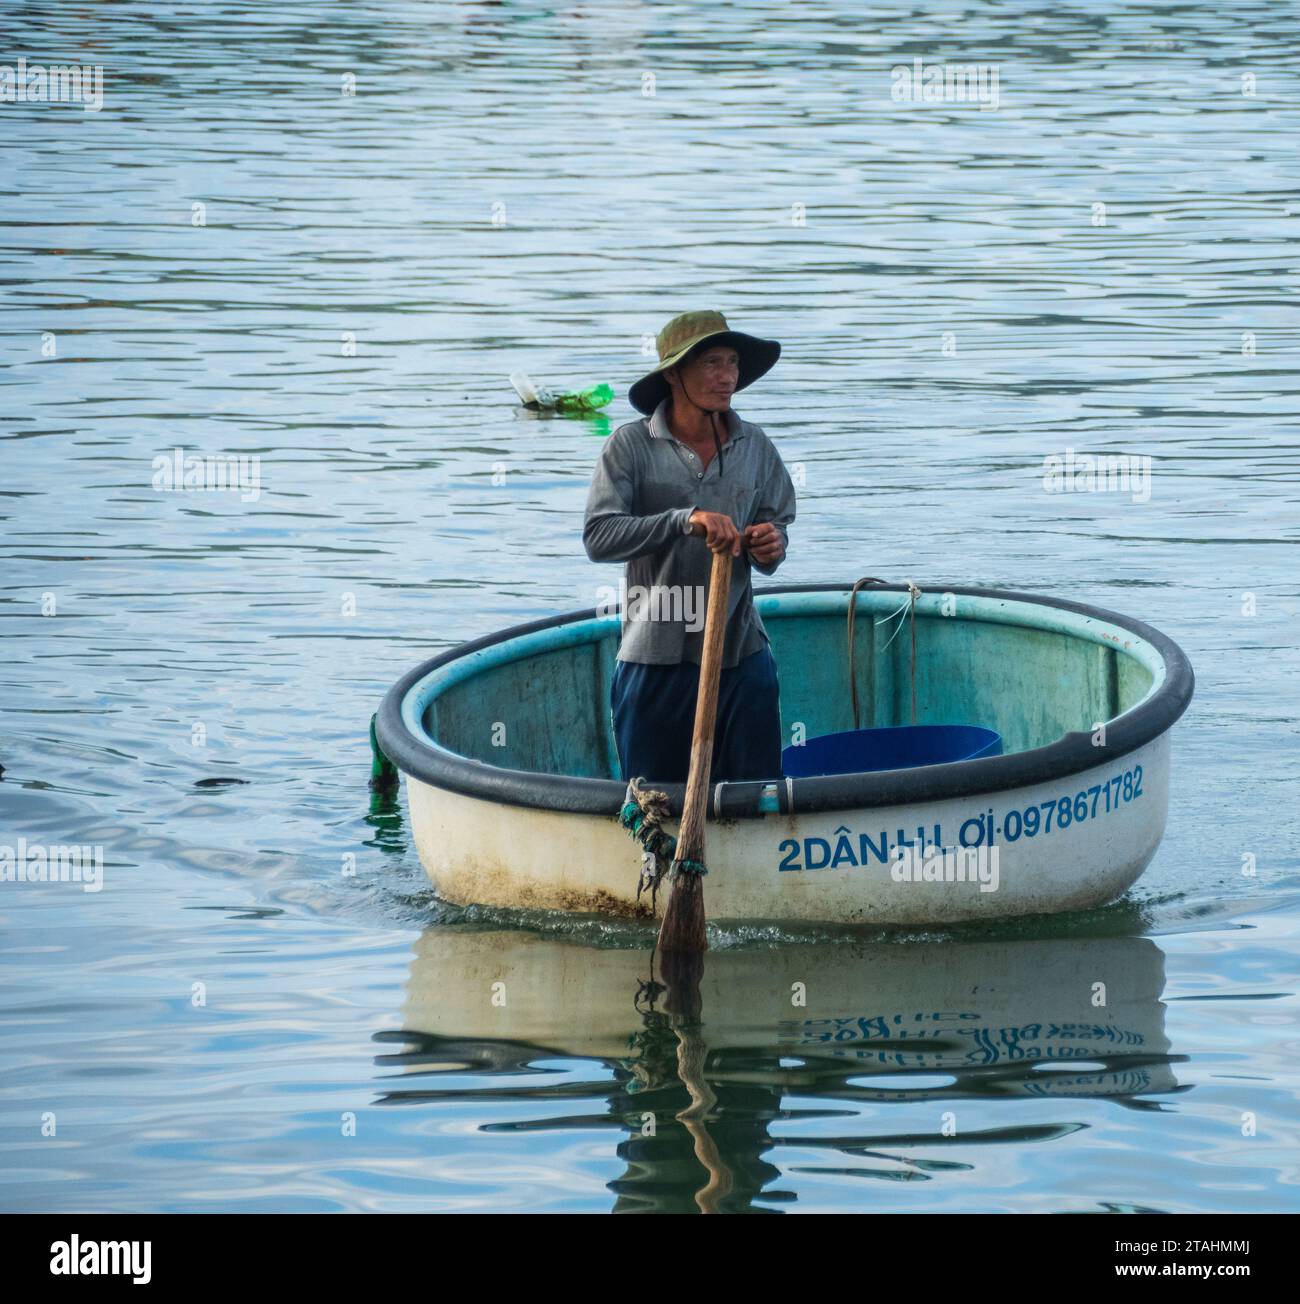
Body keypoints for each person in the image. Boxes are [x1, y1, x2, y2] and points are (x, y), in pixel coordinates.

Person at [583, 309, 796, 785]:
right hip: (654, 656)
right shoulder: (629, 447)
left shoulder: (755, 446)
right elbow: (599, 538)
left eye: (734, 363)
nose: (728, 378)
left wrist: (769, 546)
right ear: (674, 374)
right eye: (712, 364)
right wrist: (685, 521)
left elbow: (775, 540)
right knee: (654, 807)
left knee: (752, 799)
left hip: (740, 655)